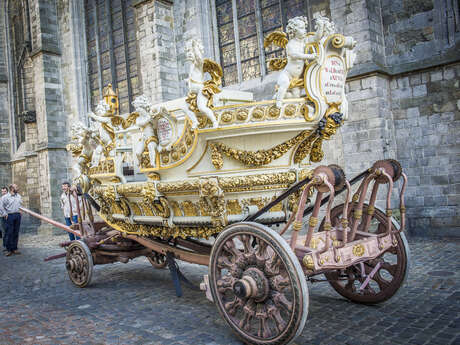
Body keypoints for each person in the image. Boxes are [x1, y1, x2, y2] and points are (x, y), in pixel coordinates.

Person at [0, 184, 22, 256]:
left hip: (17, 215)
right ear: (12, 188)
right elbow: (1, 206)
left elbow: (20, 204)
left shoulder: (18, 196)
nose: (17, 188)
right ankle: (9, 250)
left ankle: (14, 248)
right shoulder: (5, 197)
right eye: (16, 187)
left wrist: (20, 210)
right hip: (9, 216)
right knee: (9, 233)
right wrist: (4, 214)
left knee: (16, 232)